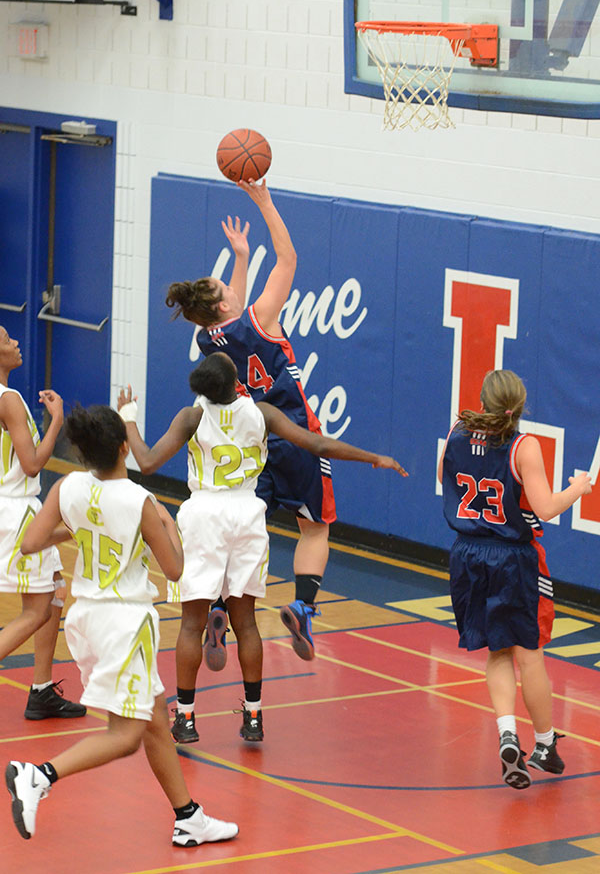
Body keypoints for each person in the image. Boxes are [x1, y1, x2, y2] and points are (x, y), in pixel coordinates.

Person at [118, 352, 406, 744]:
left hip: (204, 516)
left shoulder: (191, 417)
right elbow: (316, 443)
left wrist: (128, 417)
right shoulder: (262, 413)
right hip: (247, 515)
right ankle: (253, 716)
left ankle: (185, 718)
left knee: (190, 624)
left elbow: (148, 461)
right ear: (234, 381)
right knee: (247, 623)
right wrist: (373, 457)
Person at [6, 404, 238, 847]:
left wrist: (80, 529)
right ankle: (39, 775)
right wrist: (167, 523)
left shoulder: (68, 487)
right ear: (124, 448)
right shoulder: (140, 501)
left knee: (154, 717)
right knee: (126, 735)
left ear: (82, 452)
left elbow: (32, 543)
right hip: (125, 624)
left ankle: (188, 817)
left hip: (86, 620)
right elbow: (175, 570)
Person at [165, 180, 337, 665]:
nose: (231, 285)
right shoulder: (261, 318)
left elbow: (228, 305)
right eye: (225, 285)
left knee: (240, 531)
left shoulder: (206, 341)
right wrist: (265, 202)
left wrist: (240, 256)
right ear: (224, 304)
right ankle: (303, 606)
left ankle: (220, 606)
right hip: (294, 431)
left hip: (250, 442)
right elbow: (288, 259)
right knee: (315, 529)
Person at [438, 369, 592, 790]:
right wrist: (578, 488)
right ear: (520, 406)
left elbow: (445, 479)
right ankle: (543, 744)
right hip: (513, 559)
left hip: (467, 554)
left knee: (498, 651)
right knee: (530, 653)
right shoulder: (524, 446)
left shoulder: (455, 434)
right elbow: (545, 508)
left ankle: (508, 734)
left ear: (482, 399)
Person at [0, 325, 85, 720]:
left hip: (14, 508)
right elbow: (33, 464)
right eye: (6, 340)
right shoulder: (10, 399)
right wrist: (57, 420)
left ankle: (41, 690)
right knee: (35, 611)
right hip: (16, 511)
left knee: (54, 591)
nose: (16, 342)